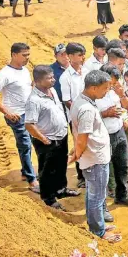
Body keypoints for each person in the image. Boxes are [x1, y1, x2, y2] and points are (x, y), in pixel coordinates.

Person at [68, 70, 121, 243]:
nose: (107, 91)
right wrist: (76, 154)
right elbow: (83, 138)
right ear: (93, 88)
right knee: (97, 196)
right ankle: (98, 231)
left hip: (94, 157)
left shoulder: (82, 100)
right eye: (105, 88)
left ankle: (96, 224)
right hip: (95, 159)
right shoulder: (87, 109)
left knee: (94, 193)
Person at [95, 64, 128, 206]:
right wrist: (106, 113)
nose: (113, 85)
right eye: (112, 82)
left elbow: (126, 106)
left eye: (115, 82)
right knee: (104, 168)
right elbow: (88, 116)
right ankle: (104, 200)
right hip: (103, 135)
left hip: (119, 131)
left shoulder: (115, 90)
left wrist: (121, 94)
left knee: (122, 165)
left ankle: (122, 195)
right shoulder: (95, 94)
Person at [0, 43, 37, 192]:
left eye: (28, 54)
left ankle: (26, 171)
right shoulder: (4, 74)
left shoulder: (25, 70)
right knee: (25, 144)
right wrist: (7, 112)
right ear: (14, 55)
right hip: (17, 116)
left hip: (30, 113)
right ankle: (32, 179)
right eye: (24, 55)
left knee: (29, 142)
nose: (27, 58)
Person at [59, 43, 89, 188]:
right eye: (79, 55)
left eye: (83, 54)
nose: (82, 58)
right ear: (70, 57)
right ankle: (82, 176)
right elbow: (67, 100)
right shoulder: (65, 77)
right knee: (80, 144)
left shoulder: (87, 71)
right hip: (76, 118)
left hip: (91, 114)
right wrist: (80, 112)